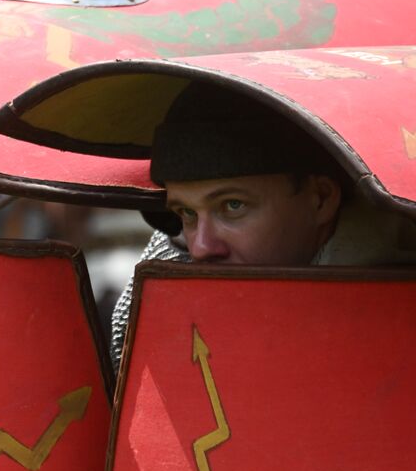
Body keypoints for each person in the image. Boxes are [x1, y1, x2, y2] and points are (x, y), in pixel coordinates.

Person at [109, 82, 416, 365]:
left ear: (320, 199)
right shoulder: (165, 280)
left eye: (232, 205)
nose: (201, 248)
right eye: (187, 213)